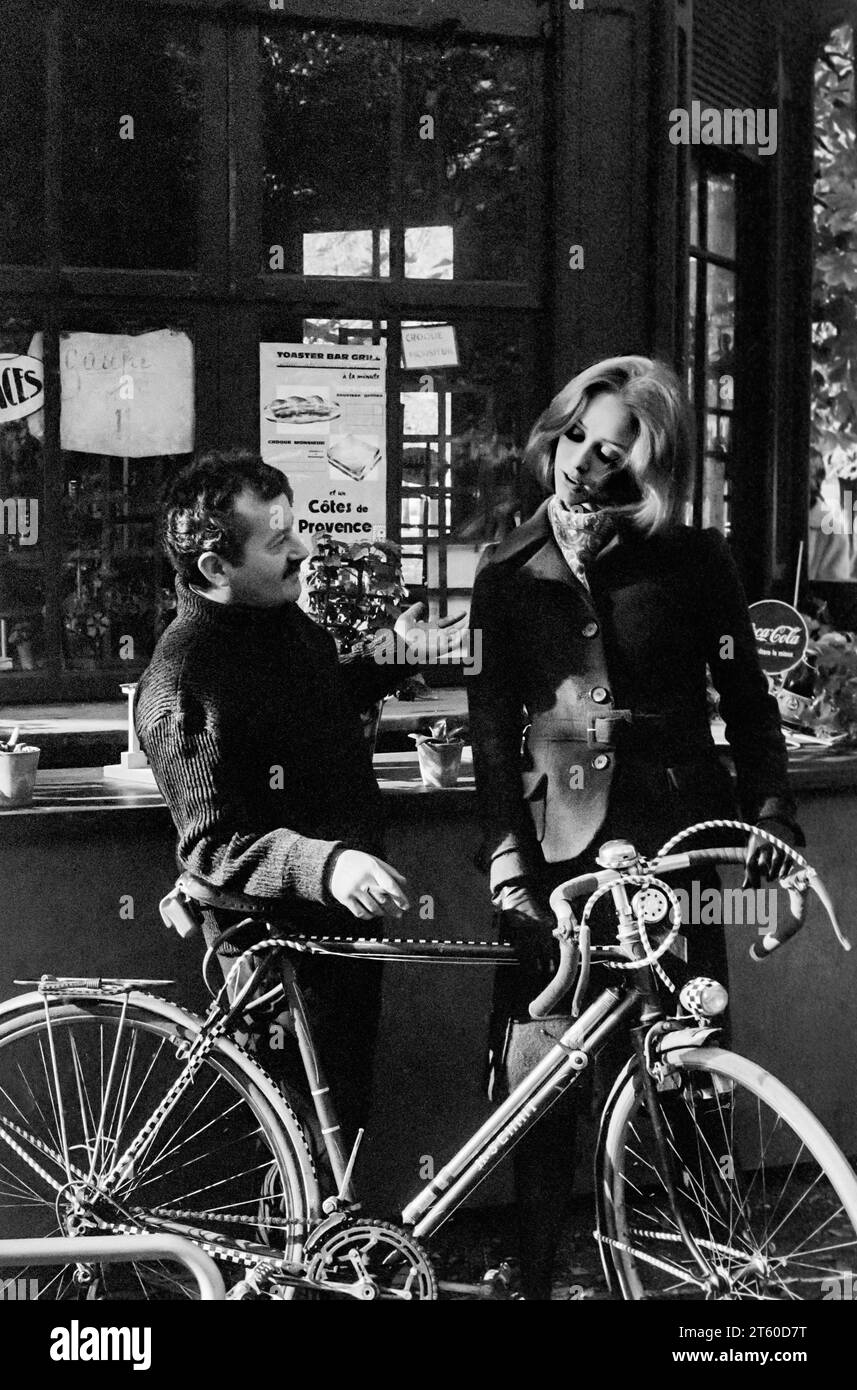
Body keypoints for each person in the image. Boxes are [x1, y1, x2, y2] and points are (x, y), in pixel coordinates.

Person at [467, 356, 803, 1300]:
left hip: (671, 843)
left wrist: (771, 817)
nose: (580, 463)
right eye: (573, 436)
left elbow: (748, 704)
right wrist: (505, 862)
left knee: (687, 1071)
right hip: (551, 859)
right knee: (541, 1087)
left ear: (652, 463)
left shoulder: (696, 561)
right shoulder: (504, 569)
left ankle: (718, 1285)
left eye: (610, 451)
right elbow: (491, 737)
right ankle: (532, 1277)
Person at [135, 449, 462, 1161]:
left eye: (297, 528)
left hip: (335, 925)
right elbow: (213, 845)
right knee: (295, 1142)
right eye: (277, 540)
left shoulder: (283, 625)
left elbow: (313, 708)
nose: (302, 550)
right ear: (215, 569)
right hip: (272, 945)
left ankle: (334, 1264)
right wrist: (329, 864)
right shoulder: (186, 680)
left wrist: (398, 656)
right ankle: (287, 1270)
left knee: (344, 1112)